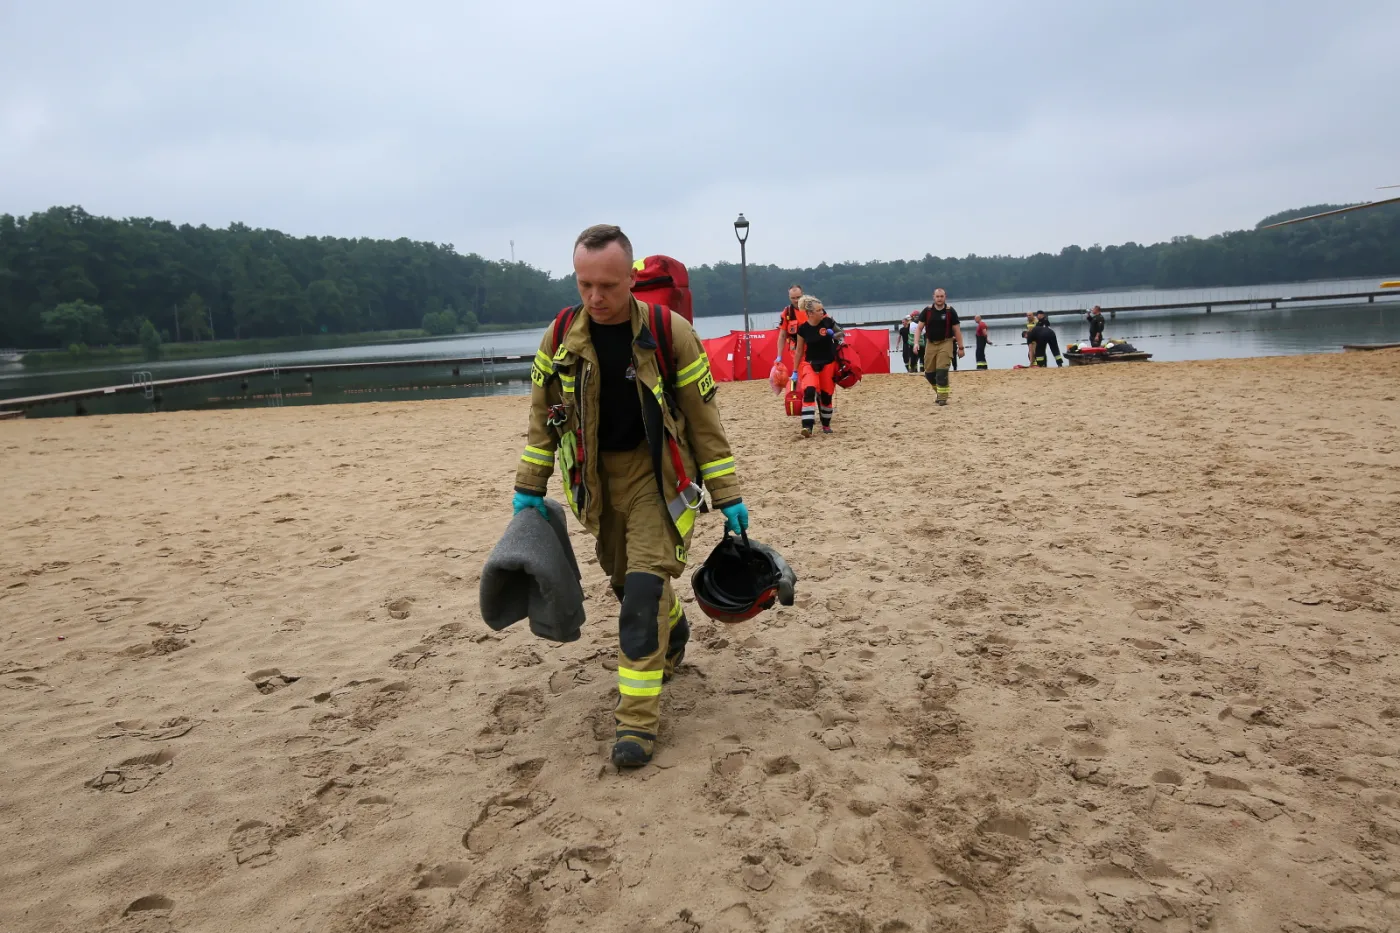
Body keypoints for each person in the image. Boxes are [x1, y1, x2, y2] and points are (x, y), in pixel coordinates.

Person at [513, 224, 749, 769]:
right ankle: (676, 622)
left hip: (658, 479)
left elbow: (703, 422)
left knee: (640, 595)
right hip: (593, 485)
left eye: (609, 286)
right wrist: (530, 487)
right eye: (584, 283)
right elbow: (540, 422)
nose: (595, 298)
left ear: (632, 278)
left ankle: (636, 724)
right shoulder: (559, 337)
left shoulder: (672, 334)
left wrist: (728, 492)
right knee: (626, 584)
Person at [790, 295, 844, 436]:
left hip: (828, 363)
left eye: (822, 309)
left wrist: (835, 335)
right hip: (810, 364)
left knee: (826, 396)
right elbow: (799, 351)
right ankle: (807, 427)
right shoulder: (803, 329)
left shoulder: (828, 322)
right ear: (810, 313)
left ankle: (826, 425)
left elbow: (841, 333)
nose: (822, 312)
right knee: (809, 391)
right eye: (819, 310)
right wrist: (795, 371)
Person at [914, 288, 965, 406]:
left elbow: (957, 330)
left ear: (945, 297)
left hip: (946, 343)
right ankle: (939, 392)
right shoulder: (927, 311)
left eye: (941, 296)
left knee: (942, 371)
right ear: (933, 297)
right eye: (937, 296)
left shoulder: (950, 311)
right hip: (931, 343)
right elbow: (919, 328)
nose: (939, 299)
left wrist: (961, 347)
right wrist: (916, 343)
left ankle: (943, 397)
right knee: (929, 373)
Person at [774, 284, 804, 384]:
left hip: (813, 349)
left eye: (798, 297)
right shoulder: (787, 313)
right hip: (796, 351)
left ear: (802, 294)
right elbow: (782, 335)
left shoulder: (812, 309)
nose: (796, 300)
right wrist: (779, 355)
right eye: (793, 298)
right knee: (800, 377)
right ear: (789, 297)